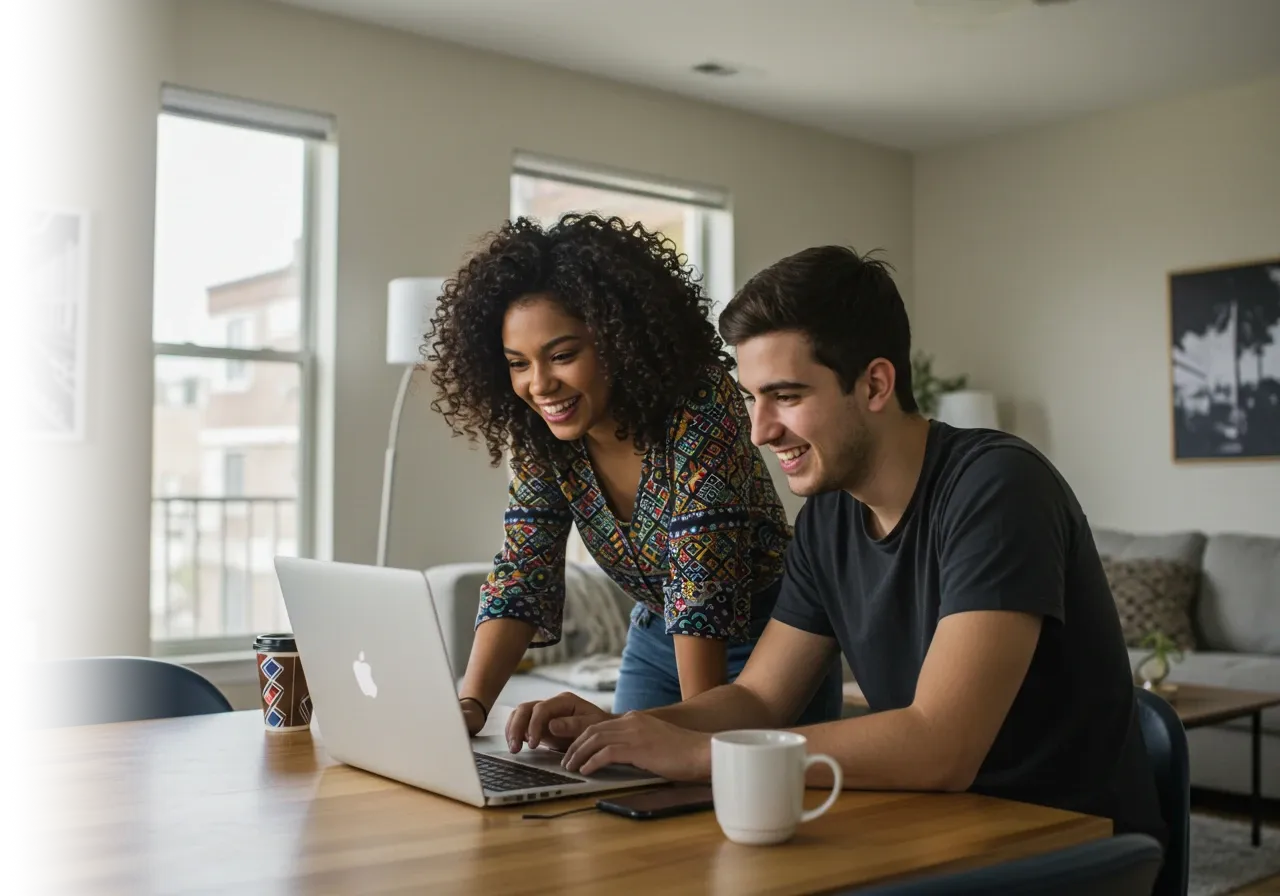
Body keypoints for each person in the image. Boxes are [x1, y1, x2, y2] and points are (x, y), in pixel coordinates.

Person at [504, 245, 1167, 848]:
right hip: (943, 829)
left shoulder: (997, 488)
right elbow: (760, 698)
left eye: (786, 397)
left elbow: (942, 746)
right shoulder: (827, 519)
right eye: (752, 399)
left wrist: (702, 755)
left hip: (1069, 850)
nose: (760, 431)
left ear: (875, 385)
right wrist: (629, 732)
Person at [426, 213, 844, 737]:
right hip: (654, 637)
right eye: (517, 363)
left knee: (711, 794)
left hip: (771, 645)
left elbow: (700, 587)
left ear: (618, 339)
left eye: (562, 355)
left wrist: (693, 737)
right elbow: (521, 571)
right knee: (614, 792)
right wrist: (470, 706)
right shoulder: (544, 433)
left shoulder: (700, 401)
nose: (540, 385)